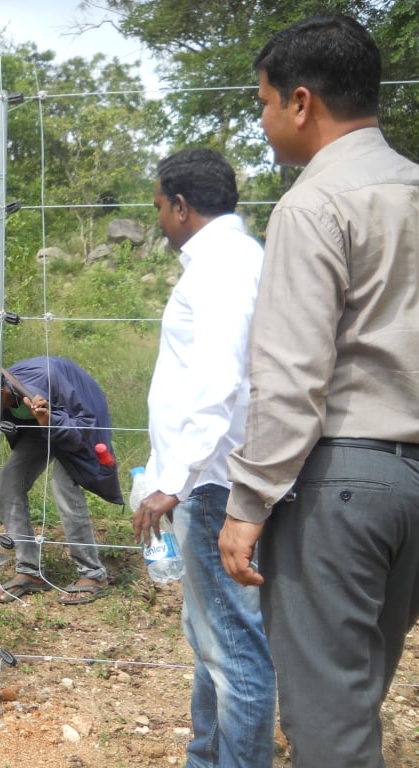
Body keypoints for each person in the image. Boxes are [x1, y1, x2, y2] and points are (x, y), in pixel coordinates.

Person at [217, 14, 419, 767]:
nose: (266, 124)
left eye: (266, 104)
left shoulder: (313, 204)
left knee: (330, 729)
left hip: (341, 488)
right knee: (361, 687)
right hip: (410, 488)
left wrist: (248, 503)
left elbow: (293, 377)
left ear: (301, 102)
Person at [132, 148, 274, 768]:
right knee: (213, 637)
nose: (161, 219)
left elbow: (221, 379)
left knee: (235, 650)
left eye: (161, 207)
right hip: (212, 477)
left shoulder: (221, 266)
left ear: (182, 206)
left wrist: (174, 478)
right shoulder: (233, 260)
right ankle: (206, 756)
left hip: (215, 482)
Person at [0, 356, 123, 604]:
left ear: (0, 393)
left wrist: (50, 422)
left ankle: (93, 574)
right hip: (39, 424)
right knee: (9, 481)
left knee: (64, 485)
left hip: (80, 422)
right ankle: (29, 571)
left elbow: (81, 429)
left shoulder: (45, 380)